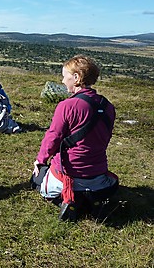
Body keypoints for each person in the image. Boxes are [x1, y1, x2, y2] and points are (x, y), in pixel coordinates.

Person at [31, 55, 118, 221]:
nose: (63, 81)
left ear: (76, 77)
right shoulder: (108, 107)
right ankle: (91, 201)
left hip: (67, 175)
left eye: (65, 76)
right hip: (98, 178)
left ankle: (71, 201)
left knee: (36, 179)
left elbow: (53, 137)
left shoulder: (67, 106)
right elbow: (105, 139)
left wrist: (40, 160)